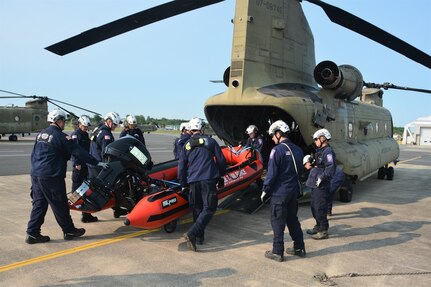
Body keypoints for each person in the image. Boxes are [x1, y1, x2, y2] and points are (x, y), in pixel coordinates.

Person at [26, 109, 107, 244]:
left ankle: (32, 232)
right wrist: (96, 162)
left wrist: (35, 173)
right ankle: (69, 230)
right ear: (59, 121)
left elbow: (33, 154)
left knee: (39, 203)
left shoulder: (41, 134)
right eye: (64, 121)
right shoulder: (61, 136)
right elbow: (78, 151)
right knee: (60, 204)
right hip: (51, 176)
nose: (64, 123)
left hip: (36, 174)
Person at [178, 117, 226, 251]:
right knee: (209, 208)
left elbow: (181, 167)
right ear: (202, 129)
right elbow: (221, 161)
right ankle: (192, 233)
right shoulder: (210, 141)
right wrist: (221, 175)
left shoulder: (186, 145)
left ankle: (199, 238)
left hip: (193, 180)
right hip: (208, 179)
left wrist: (183, 184)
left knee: (197, 208)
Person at [261, 120, 305, 262]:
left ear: (279, 134)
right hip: (293, 191)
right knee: (292, 220)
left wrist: (265, 189)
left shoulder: (277, 150)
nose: (272, 139)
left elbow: (272, 174)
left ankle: (277, 251)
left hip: (280, 193)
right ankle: (299, 248)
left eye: (273, 136)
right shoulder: (298, 150)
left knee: (277, 222)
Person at [88, 111, 126, 218]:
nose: (115, 126)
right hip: (99, 165)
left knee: (92, 188)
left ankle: (87, 215)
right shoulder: (106, 134)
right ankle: (117, 209)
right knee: (113, 187)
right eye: (114, 124)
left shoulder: (98, 129)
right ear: (108, 121)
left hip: (92, 163)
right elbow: (106, 153)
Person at [305, 128, 336, 240]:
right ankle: (318, 226)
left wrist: (322, 177)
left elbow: (330, 168)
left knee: (320, 207)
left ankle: (323, 230)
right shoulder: (320, 151)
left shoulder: (328, 152)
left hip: (321, 184)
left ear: (322, 138)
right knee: (314, 206)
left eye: (316, 139)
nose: (315, 141)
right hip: (315, 183)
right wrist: (309, 162)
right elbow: (316, 162)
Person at [70, 115, 98, 223]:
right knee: (76, 190)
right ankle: (71, 206)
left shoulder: (86, 135)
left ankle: (86, 215)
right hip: (79, 167)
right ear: (79, 124)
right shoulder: (75, 136)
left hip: (86, 166)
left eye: (87, 127)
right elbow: (74, 151)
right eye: (84, 126)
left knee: (85, 189)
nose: (85, 128)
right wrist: (77, 163)